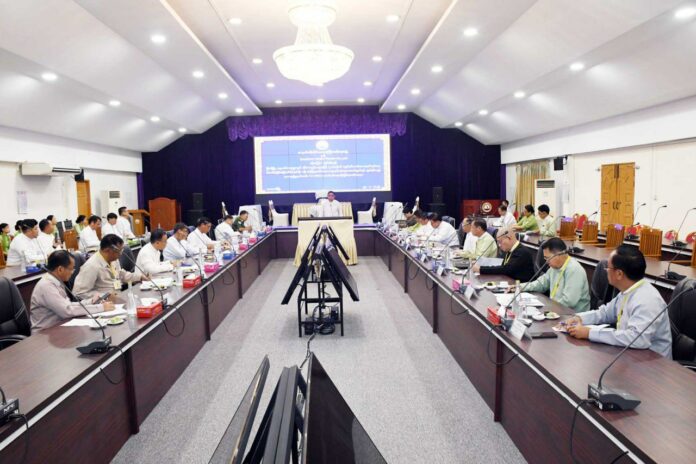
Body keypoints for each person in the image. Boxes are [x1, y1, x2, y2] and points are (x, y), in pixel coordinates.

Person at [565, 245, 672, 357]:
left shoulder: (647, 300)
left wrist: (589, 333)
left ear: (619, 274)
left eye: (608, 268)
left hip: (653, 361)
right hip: (630, 352)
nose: (606, 271)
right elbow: (605, 313)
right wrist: (580, 318)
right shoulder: (629, 290)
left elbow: (637, 339)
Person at [30, 250, 114, 331]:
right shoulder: (46, 286)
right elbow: (68, 310)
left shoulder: (55, 281)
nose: (73, 272)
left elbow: (68, 305)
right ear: (60, 269)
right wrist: (101, 308)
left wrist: (90, 302)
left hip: (58, 328)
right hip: (44, 333)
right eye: (71, 269)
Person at [524, 238, 590, 312]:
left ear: (559, 254)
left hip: (573, 315)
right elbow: (541, 284)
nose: (546, 262)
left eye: (548, 258)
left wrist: (548, 308)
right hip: (557, 310)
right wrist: (520, 287)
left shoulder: (574, 270)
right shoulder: (554, 267)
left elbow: (569, 301)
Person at [73, 234, 141, 298]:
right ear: (107, 250)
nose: (121, 254)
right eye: (119, 251)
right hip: (104, 302)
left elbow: (121, 275)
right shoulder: (91, 266)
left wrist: (140, 277)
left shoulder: (113, 260)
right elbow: (79, 293)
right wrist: (104, 296)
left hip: (118, 297)